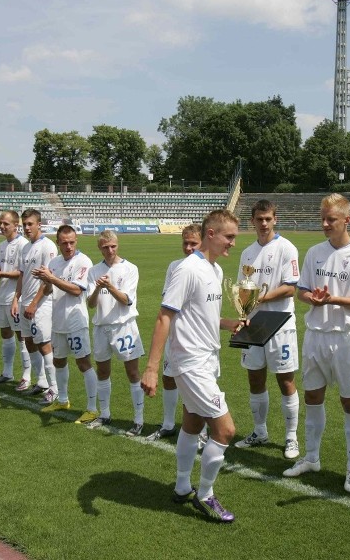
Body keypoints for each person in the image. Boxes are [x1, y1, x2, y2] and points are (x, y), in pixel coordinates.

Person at [141, 209, 243, 522]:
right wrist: (151, 368)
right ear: (210, 234)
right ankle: (206, 494)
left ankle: (183, 486)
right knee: (225, 430)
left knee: (192, 424)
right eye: (229, 237)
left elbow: (202, 316)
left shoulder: (213, 270)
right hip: (190, 362)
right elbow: (165, 316)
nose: (232, 244)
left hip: (207, 359)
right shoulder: (187, 270)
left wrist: (229, 324)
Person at [282, 193, 350, 494]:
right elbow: (302, 291)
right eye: (322, 218)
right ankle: (311, 458)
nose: (324, 224)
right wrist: (313, 298)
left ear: (347, 220)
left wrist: (332, 299)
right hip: (315, 335)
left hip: (347, 337)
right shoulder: (314, 252)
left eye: (330, 219)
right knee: (313, 397)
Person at [233, 200, 301, 459]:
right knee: (254, 378)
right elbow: (242, 288)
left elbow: (290, 287)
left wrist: (259, 298)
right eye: (259, 219)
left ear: (275, 219)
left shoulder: (286, 248)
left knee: (285, 380)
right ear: (252, 220)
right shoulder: (247, 253)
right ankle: (260, 431)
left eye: (268, 219)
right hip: (253, 324)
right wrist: (242, 314)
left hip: (280, 322)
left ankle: (291, 437)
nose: (263, 224)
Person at [32, 225, 97, 415]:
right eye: (64, 243)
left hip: (75, 322)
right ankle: (62, 399)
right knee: (58, 361)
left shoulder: (83, 261)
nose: (68, 246)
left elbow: (77, 290)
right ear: (58, 243)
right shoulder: (54, 263)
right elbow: (49, 288)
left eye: (71, 242)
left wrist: (51, 278)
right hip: (58, 321)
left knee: (83, 363)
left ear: (76, 241)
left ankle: (92, 409)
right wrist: (44, 283)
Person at [86, 230, 145, 436]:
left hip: (124, 326)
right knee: (103, 371)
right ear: (99, 248)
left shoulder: (130, 269)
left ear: (117, 245)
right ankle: (105, 414)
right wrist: (96, 289)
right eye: (105, 247)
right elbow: (91, 304)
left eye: (113, 246)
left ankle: (138, 419)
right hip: (102, 327)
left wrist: (109, 286)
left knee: (132, 373)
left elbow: (126, 300)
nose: (110, 250)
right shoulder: (94, 271)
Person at [146, 223, 202, 442]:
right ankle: (168, 424)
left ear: (203, 243)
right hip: (174, 336)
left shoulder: (212, 269)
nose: (188, 248)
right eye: (185, 243)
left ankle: (202, 432)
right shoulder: (174, 267)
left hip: (197, 340)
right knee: (169, 378)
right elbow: (167, 303)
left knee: (196, 384)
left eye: (193, 244)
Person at [12, 209, 56, 401]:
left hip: (41, 304)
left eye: (30, 224)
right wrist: (16, 298)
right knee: (29, 342)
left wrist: (34, 303)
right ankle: (41, 381)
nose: (27, 228)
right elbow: (22, 275)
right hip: (25, 303)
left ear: (39, 224)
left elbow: (49, 280)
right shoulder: (25, 248)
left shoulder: (48, 247)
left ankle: (54, 389)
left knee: (44, 344)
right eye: (24, 225)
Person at [0, 211, 31, 385]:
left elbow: (22, 273)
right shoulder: (2, 245)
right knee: (6, 334)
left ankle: (26, 376)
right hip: (2, 295)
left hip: (16, 298)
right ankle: (7, 372)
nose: (2, 226)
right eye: (1, 223)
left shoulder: (23, 245)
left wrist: (1, 273)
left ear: (16, 225)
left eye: (6, 223)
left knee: (22, 336)